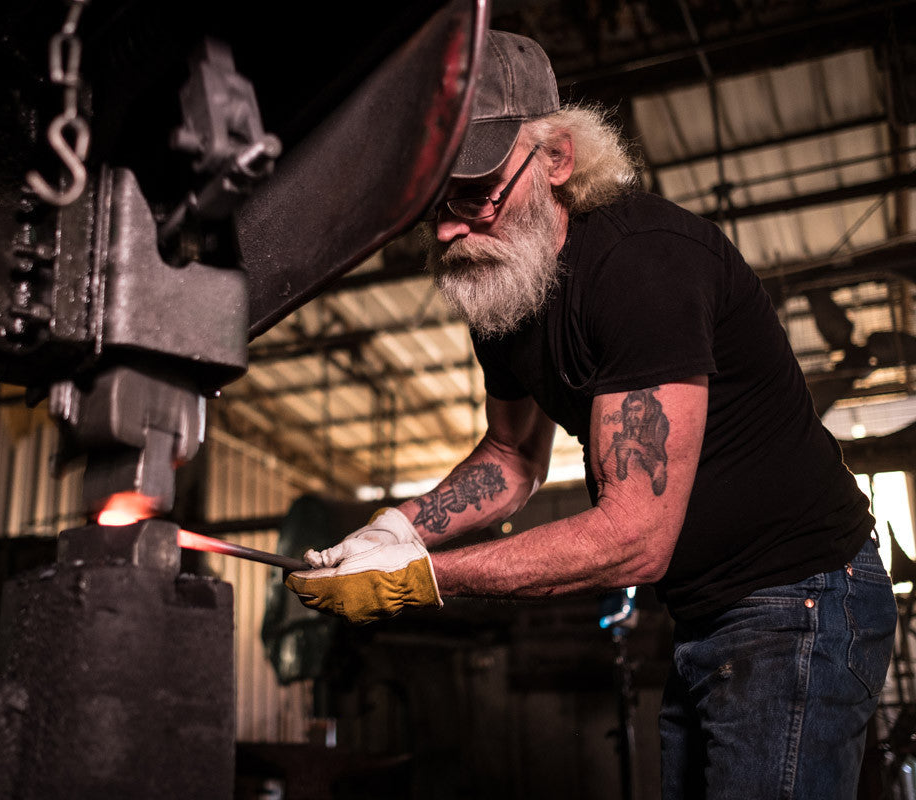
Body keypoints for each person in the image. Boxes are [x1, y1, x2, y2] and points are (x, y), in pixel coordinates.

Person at [284, 29, 898, 799]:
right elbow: (511, 460)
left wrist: (420, 578)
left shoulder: (643, 267)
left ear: (557, 161)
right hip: (706, 613)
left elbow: (633, 540)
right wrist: (398, 528)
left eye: (474, 194)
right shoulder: (503, 285)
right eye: (434, 205)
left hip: (800, 601)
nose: (447, 231)